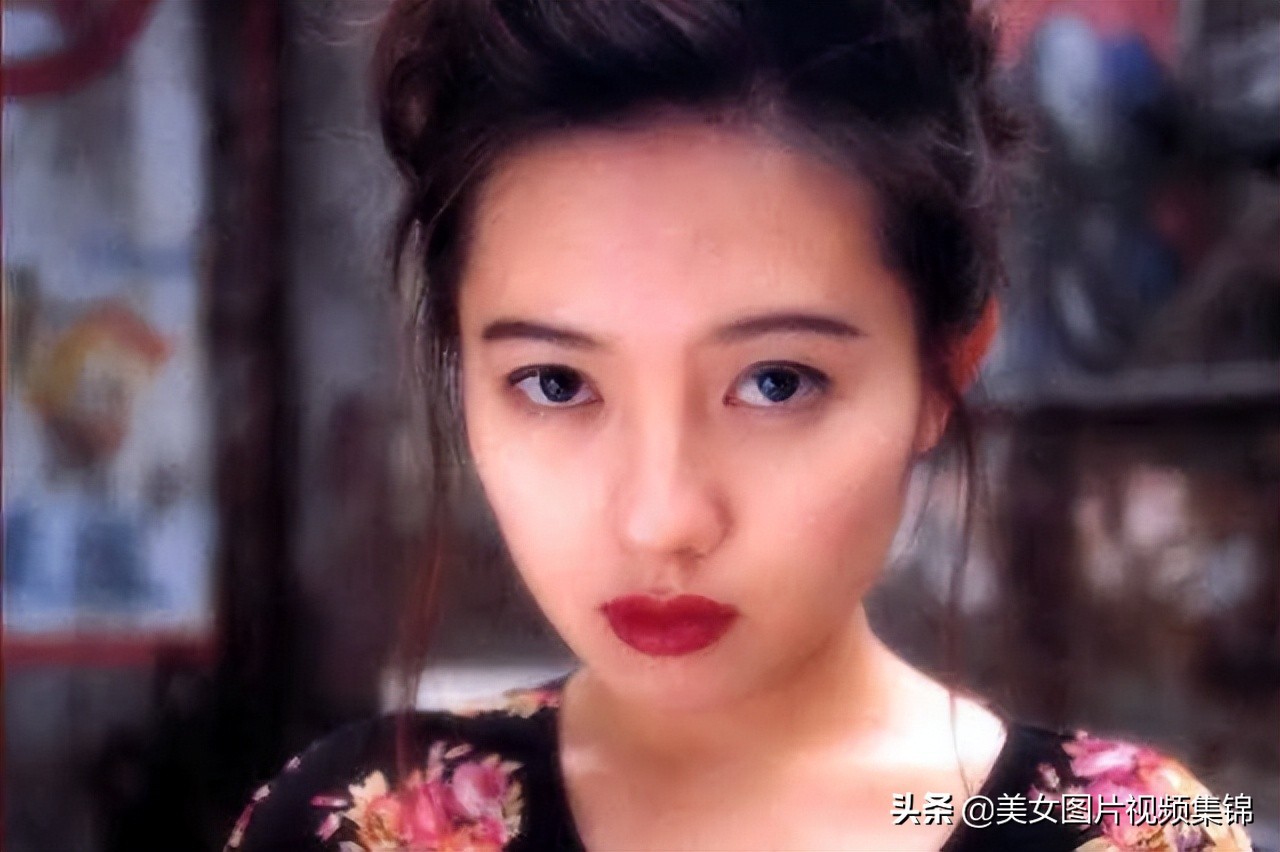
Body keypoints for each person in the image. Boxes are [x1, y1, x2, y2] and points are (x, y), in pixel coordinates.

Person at [224, 0, 1256, 849]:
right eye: (555, 384)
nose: (663, 518)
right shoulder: (356, 826)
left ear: (944, 372)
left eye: (774, 383)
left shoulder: (1119, 836)